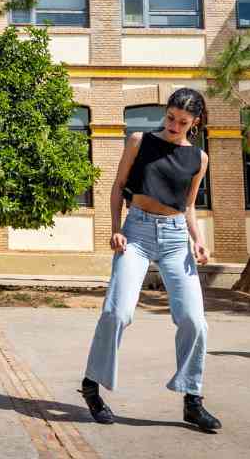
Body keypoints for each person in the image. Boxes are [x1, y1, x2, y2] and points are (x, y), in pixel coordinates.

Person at [80, 88, 221, 431]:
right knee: (117, 311)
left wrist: (198, 241)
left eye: (182, 122)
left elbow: (188, 205)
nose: (174, 125)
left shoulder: (199, 158)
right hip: (137, 233)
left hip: (176, 239)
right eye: (170, 118)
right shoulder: (139, 141)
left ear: (194, 123)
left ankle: (192, 399)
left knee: (194, 320)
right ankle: (92, 386)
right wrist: (115, 228)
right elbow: (117, 187)